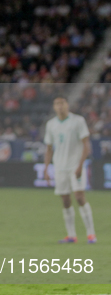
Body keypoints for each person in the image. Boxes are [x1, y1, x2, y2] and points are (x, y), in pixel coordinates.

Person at [44, 96, 96, 244]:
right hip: (60, 167)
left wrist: (80, 165)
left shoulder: (78, 121)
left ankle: (91, 234)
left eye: (62, 103)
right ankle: (72, 236)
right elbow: (48, 148)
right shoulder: (51, 124)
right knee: (65, 200)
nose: (59, 106)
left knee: (80, 197)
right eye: (56, 103)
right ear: (54, 107)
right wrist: (46, 168)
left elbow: (86, 144)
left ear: (67, 105)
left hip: (75, 166)